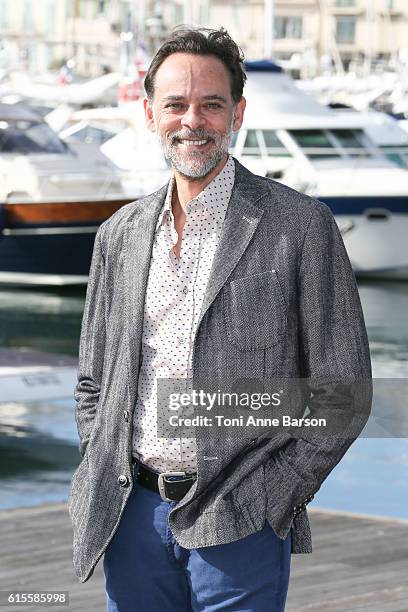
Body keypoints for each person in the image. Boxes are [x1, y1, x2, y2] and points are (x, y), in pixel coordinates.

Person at [68, 27, 372, 611]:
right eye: (176, 105)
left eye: (211, 104)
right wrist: (100, 460)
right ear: (150, 112)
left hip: (241, 522)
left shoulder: (299, 226)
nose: (193, 121)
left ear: (238, 112)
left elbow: (344, 393)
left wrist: (272, 496)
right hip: (129, 516)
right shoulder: (119, 234)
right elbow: (92, 382)